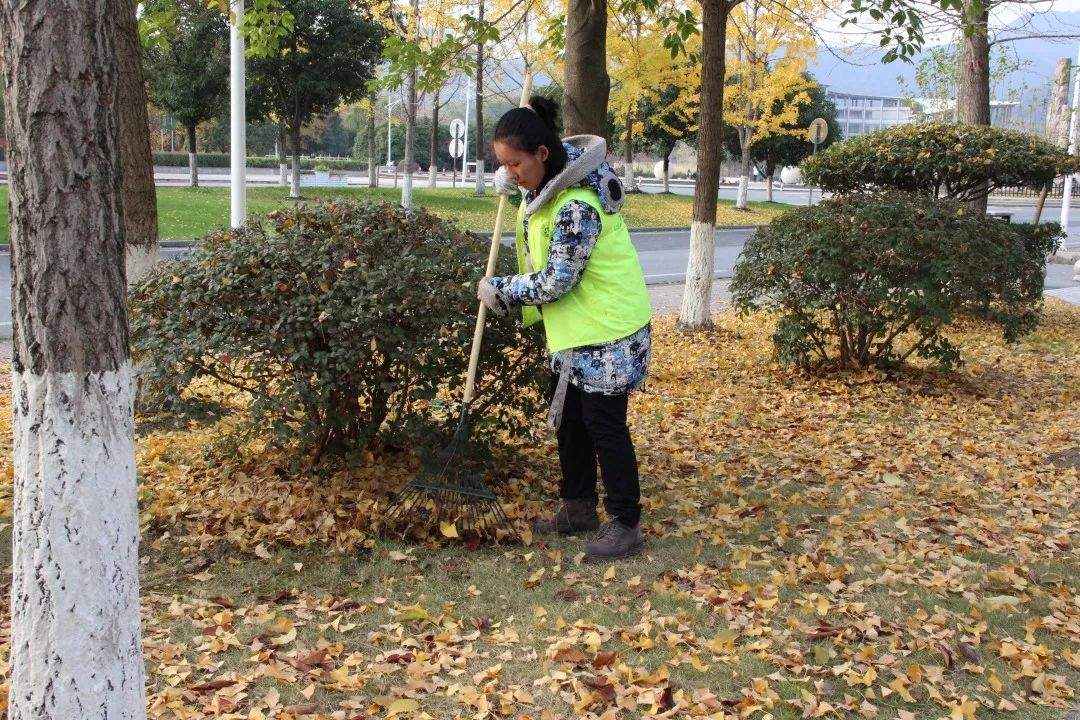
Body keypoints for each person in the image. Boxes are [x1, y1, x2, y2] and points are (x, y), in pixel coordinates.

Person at [476, 96, 653, 561]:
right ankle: (577, 508)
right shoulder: (548, 184)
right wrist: (514, 183)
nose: (511, 172)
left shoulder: (577, 205)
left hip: (609, 328)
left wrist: (502, 289)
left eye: (516, 163)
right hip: (578, 329)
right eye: (503, 164)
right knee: (570, 422)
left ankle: (626, 522)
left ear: (543, 154)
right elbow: (534, 196)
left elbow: (557, 279)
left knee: (603, 426)